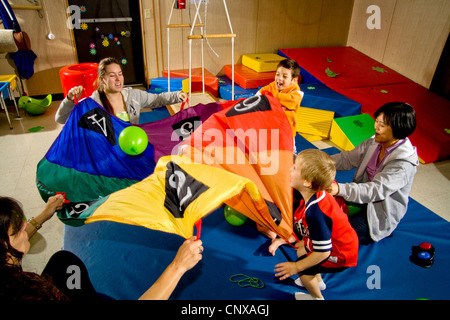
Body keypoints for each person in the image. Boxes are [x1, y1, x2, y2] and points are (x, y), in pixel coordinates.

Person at [0, 195, 203, 300]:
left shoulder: (5, 262)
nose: (24, 226)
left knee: (63, 262)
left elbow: (19, 235)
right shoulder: (28, 294)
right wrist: (178, 267)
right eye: (17, 230)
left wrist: (46, 213)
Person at [271, 149, 358, 300]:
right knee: (301, 250)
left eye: (295, 168)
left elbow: (323, 252)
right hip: (337, 242)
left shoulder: (315, 212)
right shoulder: (316, 194)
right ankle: (318, 282)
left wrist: (296, 267)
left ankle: (316, 297)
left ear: (307, 182)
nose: (290, 169)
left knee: (303, 268)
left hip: (340, 253)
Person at [328, 102, 418, 245]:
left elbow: (375, 190)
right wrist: (320, 161)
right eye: (377, 122)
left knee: (333, 232)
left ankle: (382, 230)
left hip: (376, 213)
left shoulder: (404, 164)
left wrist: (339, 189)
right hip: (358, 198)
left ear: (397, 129)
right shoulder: (374, 142)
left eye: (382, 125)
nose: (376, 127)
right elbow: (348, 159)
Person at [55, 57, 188, 124]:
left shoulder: (133, 95)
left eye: (120, 74)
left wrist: (178, 95)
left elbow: (157, 99)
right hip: (107, 152)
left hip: (130, 147)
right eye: (112, 75)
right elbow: (61, 119)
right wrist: (69, 100)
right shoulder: (92, 103)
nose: (118, 79)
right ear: (102, 80)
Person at [256, 58, 303, 144]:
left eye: (284, 76)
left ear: (294, 80)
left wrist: (271, 98)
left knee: (288, 151)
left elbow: (293, 101)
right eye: (277, 74)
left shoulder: (296, 92)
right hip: (271, 127)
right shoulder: (273, 85)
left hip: (286, 132)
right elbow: (258, 94)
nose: (279, 79)